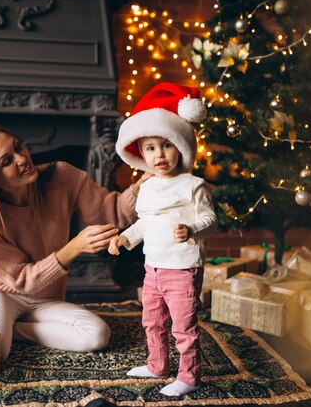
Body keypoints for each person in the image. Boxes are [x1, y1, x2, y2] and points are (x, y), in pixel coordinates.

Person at [0, 126, 150, 361]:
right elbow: (22, 281)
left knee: (96, 335)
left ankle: (13, 330)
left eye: (18, 147)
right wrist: (74, 247)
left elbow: (114, 214)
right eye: (7, 161)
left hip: (45, 298)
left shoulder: (62, 177)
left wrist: (139, 188)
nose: (22, 159)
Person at [108, 82, 217, 397]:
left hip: (182, 268)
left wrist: (192, 230)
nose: (159, 155)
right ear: (141, 153)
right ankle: (158, 364)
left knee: (183, 327)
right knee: (152, 321)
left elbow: (210, 220)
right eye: (151, 148)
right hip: (153, 269)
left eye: (166, 145)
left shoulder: (192, 185)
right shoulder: (149, 187)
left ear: (180, 146)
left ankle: (189, 375)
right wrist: (124, 239)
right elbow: (144, 223)